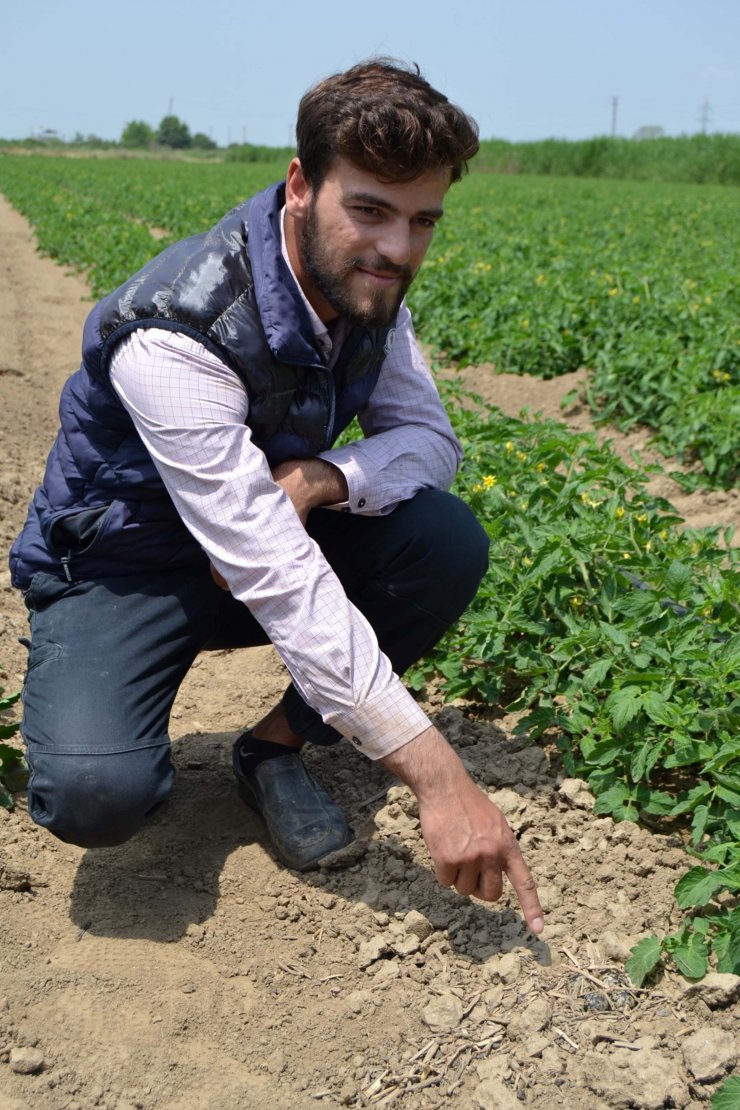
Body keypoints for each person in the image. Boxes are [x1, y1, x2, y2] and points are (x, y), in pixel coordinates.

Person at [10, 59, 544, 934]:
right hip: (127, 565)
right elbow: (277, 575)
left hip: (255, 543)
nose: (398, 250)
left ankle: (272, 749)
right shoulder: (177, 333)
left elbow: (431, 444)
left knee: (443, 540)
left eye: (422, 222)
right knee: (96, 796)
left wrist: (326, 477)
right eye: (369, 210)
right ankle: (113, 694)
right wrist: (440, 778)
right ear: (301, 185)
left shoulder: (368, 294)